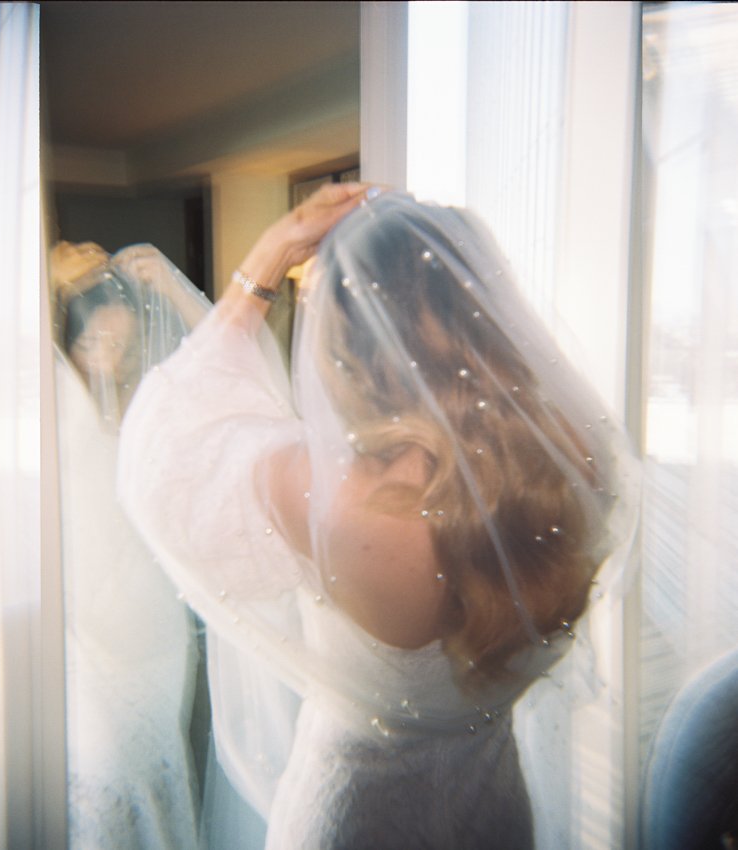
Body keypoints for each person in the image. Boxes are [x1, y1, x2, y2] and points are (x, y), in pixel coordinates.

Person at [118, 185, 638, 849]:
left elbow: (166, 452)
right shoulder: (567, 460)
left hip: (354, 820)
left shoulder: (327, 491)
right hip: (493, 809)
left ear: (344, 340)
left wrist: (265, 263)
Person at [49, 241, 212, 850]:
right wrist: (50, 281)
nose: (102, 359)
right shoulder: (51, 400)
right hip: (87, 637)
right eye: (90, 340)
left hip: (156, 632)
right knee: (101, 776)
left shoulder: (147, 405)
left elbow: (228, 359)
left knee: (154, 774)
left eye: (117, 346)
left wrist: (172, 288)